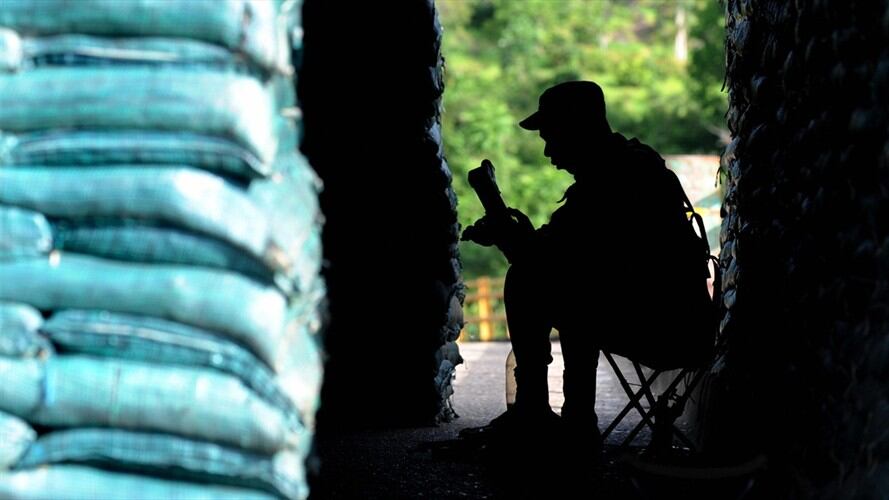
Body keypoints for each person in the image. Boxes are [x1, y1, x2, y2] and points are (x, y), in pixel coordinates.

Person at [462, 80, 691, 449]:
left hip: (661, 324)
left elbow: (567, 260)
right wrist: (517, 236)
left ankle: (543, 413)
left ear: (578, 128)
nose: (549, 151)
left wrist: (510, 237)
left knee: (530, 281)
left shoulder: (615, 179)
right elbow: (572, 253)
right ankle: (569, 418)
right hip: (668, 316)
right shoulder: (626, 168)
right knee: (572, 288)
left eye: (553, 136)